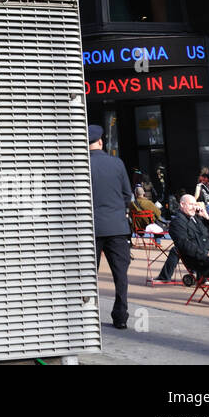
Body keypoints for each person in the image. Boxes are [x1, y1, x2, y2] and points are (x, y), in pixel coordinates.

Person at [89, 124, 133, 330]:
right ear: (101, 141)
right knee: (120, 275)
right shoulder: (117, 163)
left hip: (91, 228)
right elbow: (127, 195)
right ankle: (121, 315)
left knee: (89, 275)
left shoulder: (80, 164)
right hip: (117, 226)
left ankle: (87, 317)